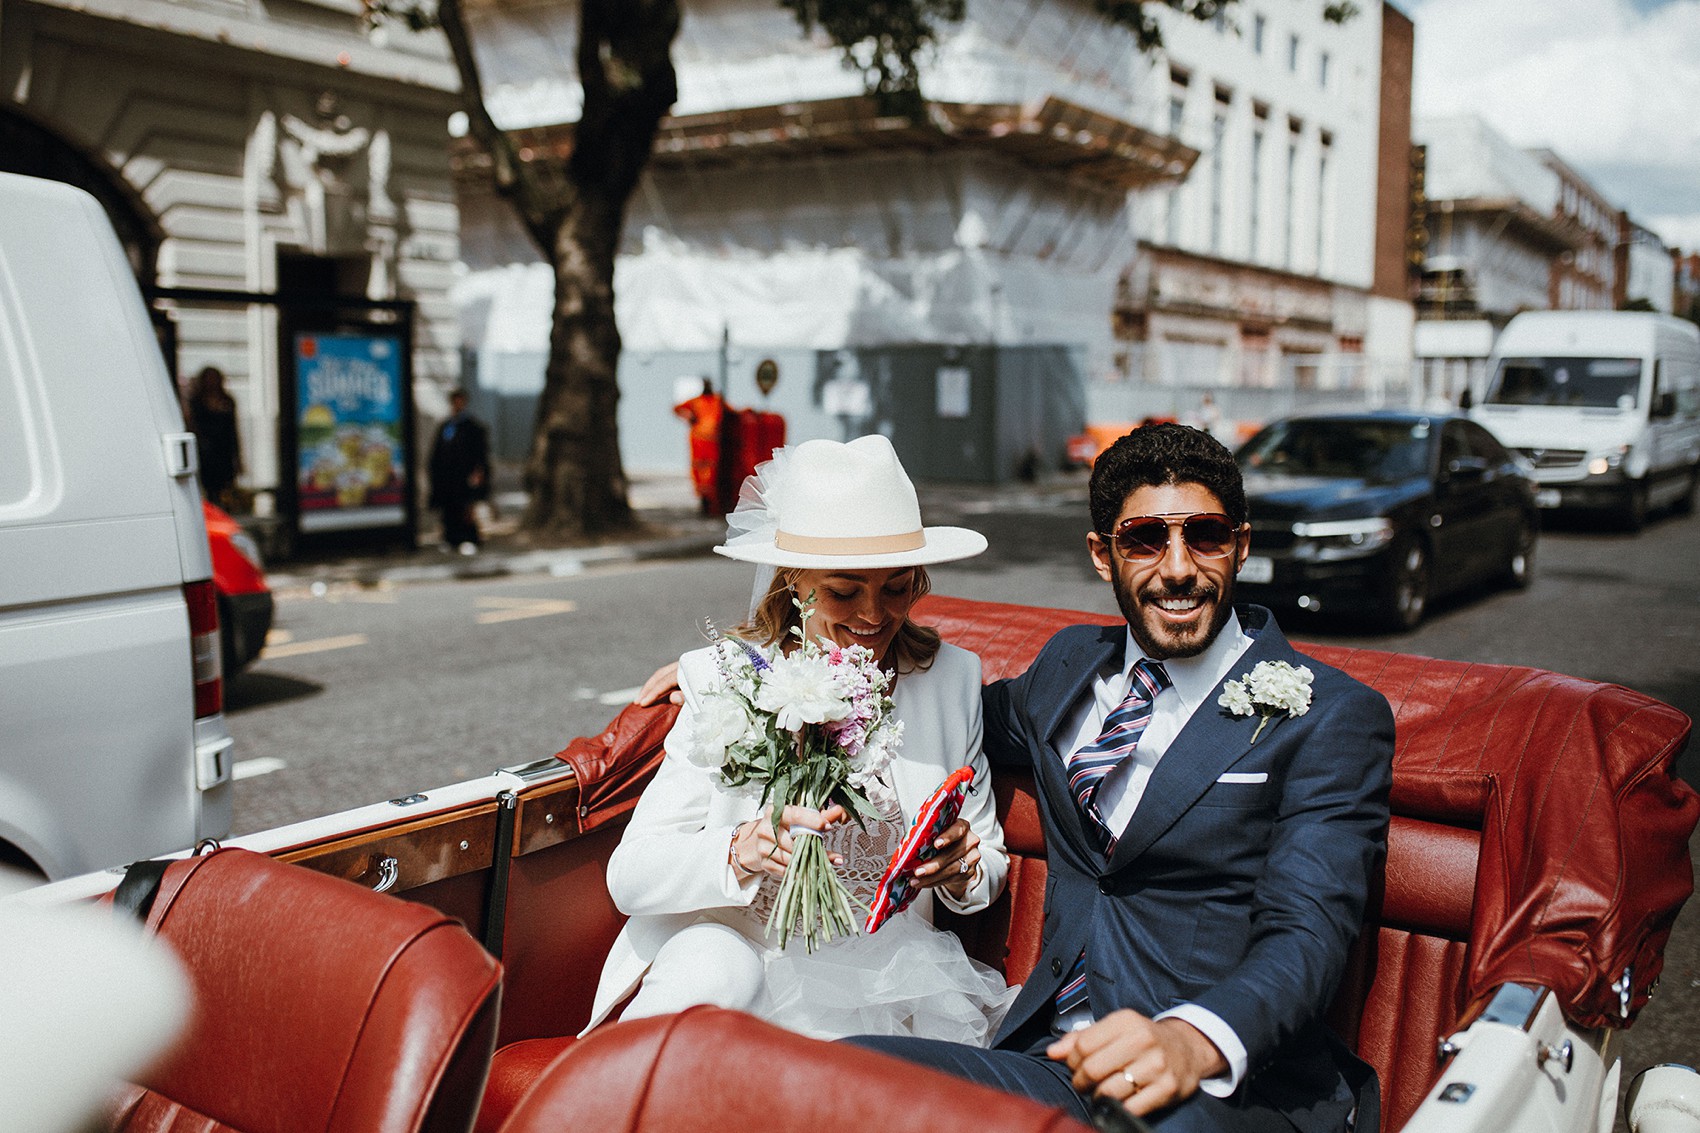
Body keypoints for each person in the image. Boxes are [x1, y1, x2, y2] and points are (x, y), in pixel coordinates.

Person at [851, 423, 1394, 1133]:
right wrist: (753, 674)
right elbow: (940, 711)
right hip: (1054, 1062)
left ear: (1242, 545)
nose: (1178, 569)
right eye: (1145, 539)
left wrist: (1191, 1038)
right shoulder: (1068, 666)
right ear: (1103, 555)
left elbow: (1309, 931)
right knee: (841, 1073)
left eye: (1206, 535)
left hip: (1229, 1087)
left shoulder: (1331, 715)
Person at [586, 434, 1017, 1045]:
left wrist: (961, 868)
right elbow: (630, 875)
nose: (873, 615)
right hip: (739, 967)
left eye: (897, 586)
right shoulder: (723, 681)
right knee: (716, 963)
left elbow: (988, 865)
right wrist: (738, 850)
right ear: (792, 583)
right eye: (844, 591)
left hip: (890, 983)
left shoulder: (951, 680)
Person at [427, 388, 490, 555]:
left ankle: (468, 538)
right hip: (447, 477)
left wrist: (478, 472)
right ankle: (450, 539)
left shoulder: (472, 426)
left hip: (464, 476)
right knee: (449, 510)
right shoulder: (446, 425)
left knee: (466, 509)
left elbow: (480, 453)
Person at [185, 365, 242, 509]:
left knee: (225, 492)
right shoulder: (196, 402)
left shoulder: (227, 401)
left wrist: (238, 458)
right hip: (206, 455)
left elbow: (233, 431)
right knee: (209, 491)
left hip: (224, 454)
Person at [674, 377, 726, 515]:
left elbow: (731, 412)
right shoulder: (696, 401)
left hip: (713, 441)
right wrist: (689, 416)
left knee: (712, 470)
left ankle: (710, 500)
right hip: (698, 441)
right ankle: (703, 498)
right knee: (699, 468)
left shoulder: (717, 400)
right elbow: (677, 408)